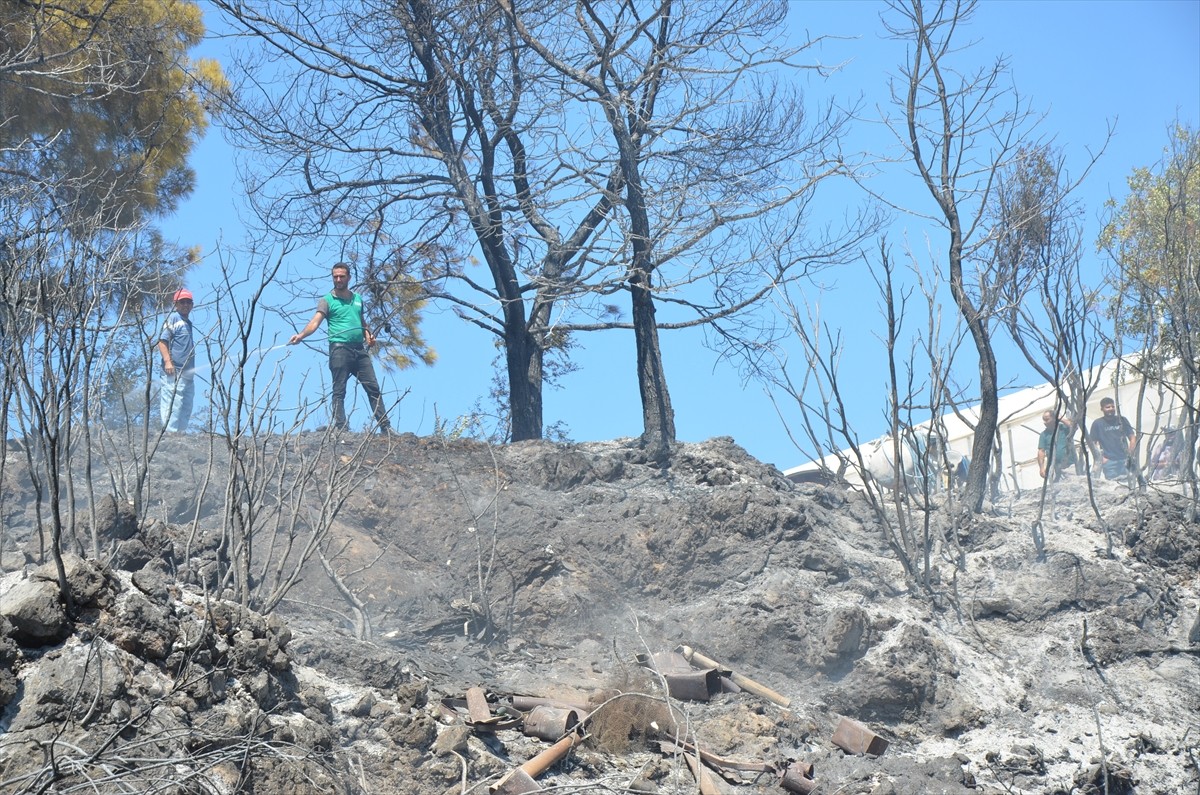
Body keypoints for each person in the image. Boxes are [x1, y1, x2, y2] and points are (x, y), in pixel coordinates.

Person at [289, 263, 393, 434]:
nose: (338, 279)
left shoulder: (357, 299)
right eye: (335, 276)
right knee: (339, 390)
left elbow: (361, 321)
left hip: (359, 350)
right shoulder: (327, 300)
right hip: (339, 349)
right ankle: (341, 427)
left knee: (373, 387)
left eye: (341, 276)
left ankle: (385, 427)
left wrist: (368, 335)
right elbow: (315, 322)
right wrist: (301, 336)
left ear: (348, 278)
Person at [158, 288, 196, 433]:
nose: (185, 305)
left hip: (187, 372)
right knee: (173, 401)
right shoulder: (173, 318)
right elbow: (162, 341)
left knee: (186, 403)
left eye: (188, 302)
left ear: (192, 305)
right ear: (176, 304)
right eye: (182, 302)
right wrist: (168, 361)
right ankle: (170, 432)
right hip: (174, 371)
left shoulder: (188, 323)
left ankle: (180, 433)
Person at [1089, 397, 1137, 480]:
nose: (1111, 409)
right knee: (1113, 485)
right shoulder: (1097, 423)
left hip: (1125, 459)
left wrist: (1130, 453)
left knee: (1128, 483)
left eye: (1112, 406)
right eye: (1107, 407)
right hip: (1109, 461)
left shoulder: (1122, 420)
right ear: (1102, 409)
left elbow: (1132, 437)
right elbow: (1092, 443)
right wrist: (1101, 458)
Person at [1037, 410, 1076, 480]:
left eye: (1047, 420)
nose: (1045, 423)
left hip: (1070, 465)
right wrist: (1041, 468)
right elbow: (1041, 451)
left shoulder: (1063, 428)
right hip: (1055, 468)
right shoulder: (1044, 435)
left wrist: (1061, 419)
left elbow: (1074, 427)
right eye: (1044, 420)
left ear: (1054, 418)